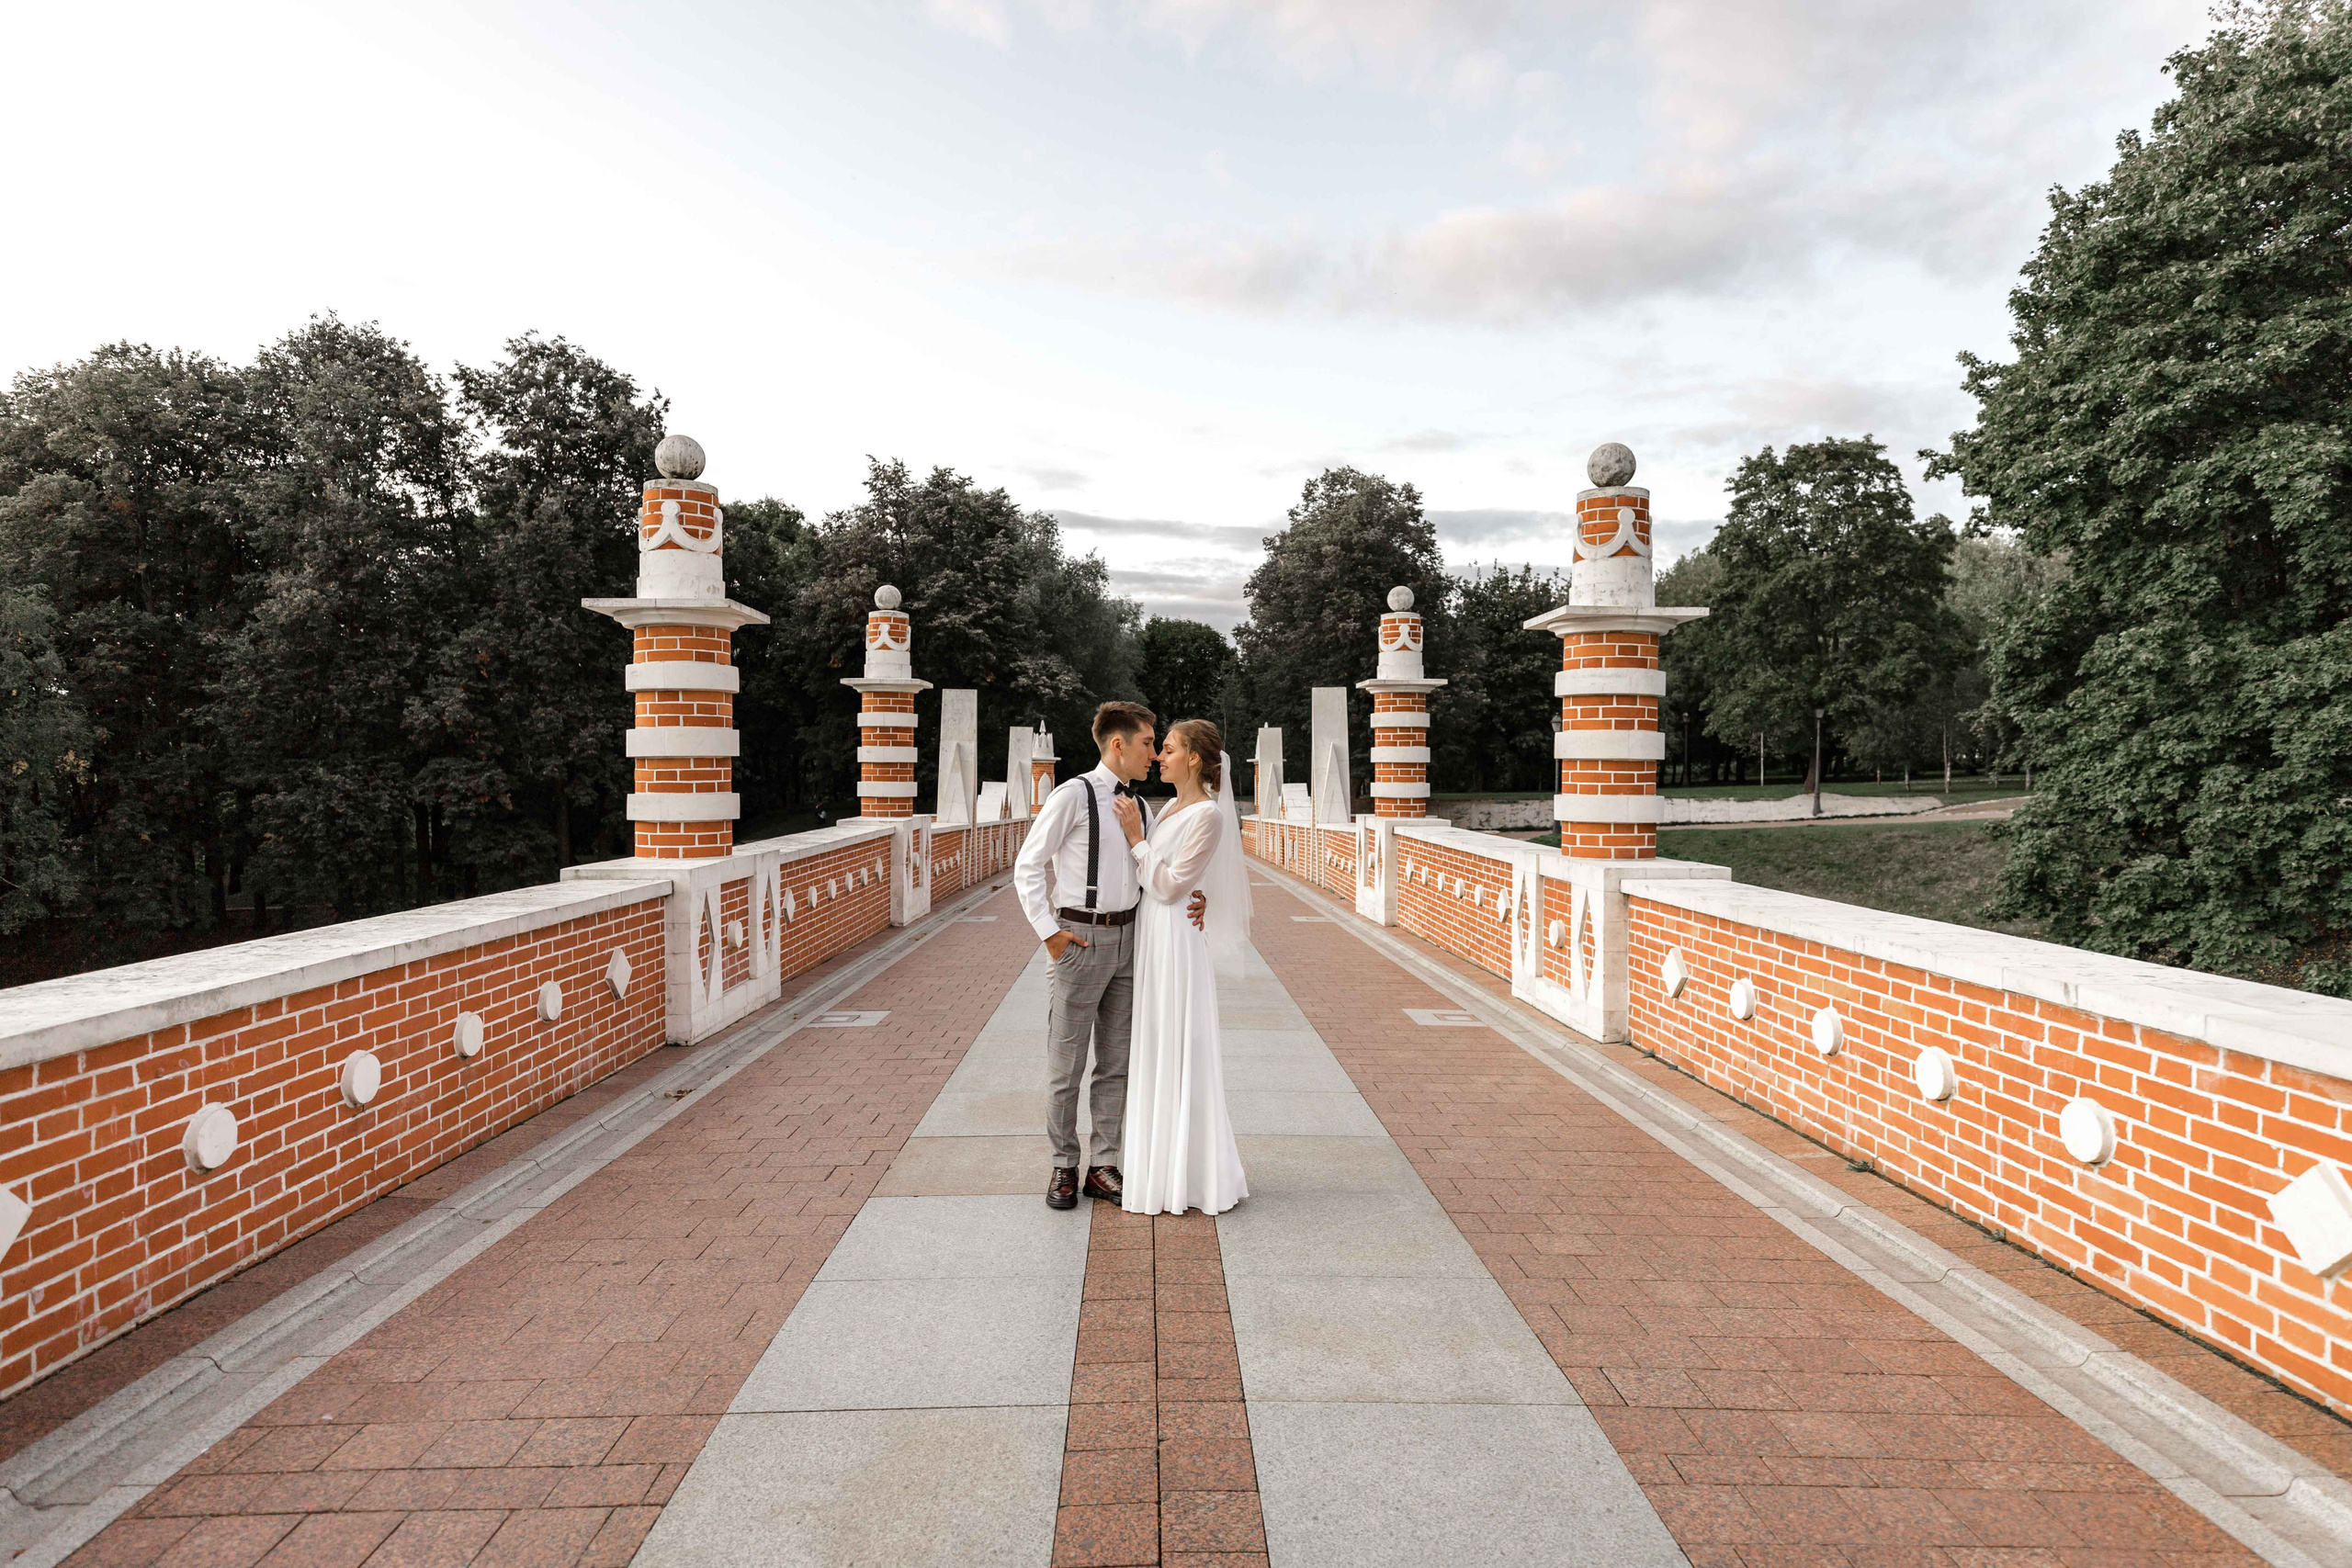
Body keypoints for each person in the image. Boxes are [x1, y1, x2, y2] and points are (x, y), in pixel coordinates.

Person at [1012, 703, 1205, 1211]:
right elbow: (1027, 866)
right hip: (1079, 940)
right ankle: (1063, 1166)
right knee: (1066, 1064)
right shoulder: (1072, 794)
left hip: (1131, 941)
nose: (1154, 754)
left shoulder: (1140, 806)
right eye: (1148, 743)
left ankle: (1103, 1165)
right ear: (1118, 744)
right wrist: (1050, 934)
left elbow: (1162, 869)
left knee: (1116, 1063)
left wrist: (1197, 896)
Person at [1108, 718, 1249, 1217]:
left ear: (1192, 758)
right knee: (1154, 1041)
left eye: (1167, 749)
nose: (1159, 757)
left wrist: (1135, 838)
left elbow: (1169, 886)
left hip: (1175, 937)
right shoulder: (1168, 808)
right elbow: (1168, 877)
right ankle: (1157, 1166)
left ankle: (1189, 1174)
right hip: (1152, 931)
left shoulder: (1208, 815)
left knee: (1176, 1041)